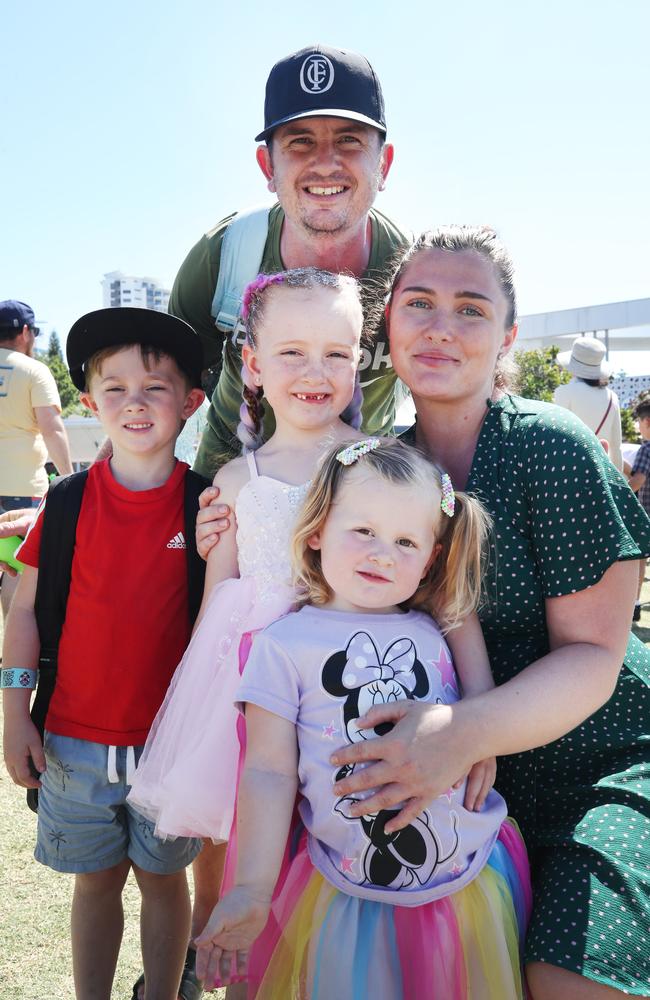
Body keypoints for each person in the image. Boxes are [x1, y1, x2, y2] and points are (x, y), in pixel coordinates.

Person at [316, 227, 649, 999]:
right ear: (386, 324)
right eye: (419, 304)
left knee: (567, 977)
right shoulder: (377, 467)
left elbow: (595, 655)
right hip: (461, 793)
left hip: (600, 767)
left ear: (508, 336)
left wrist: (458, 735)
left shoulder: (548, 446)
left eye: (471, 309)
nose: (440, 325)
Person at [194, 437, 532, 999]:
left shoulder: (435, 632)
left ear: (431, 559)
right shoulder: (282, 645)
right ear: (318, 529)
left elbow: (477, 712)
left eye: (406, 541)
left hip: (469, 881)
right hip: (346, 894)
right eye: (364, 531)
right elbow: (268, 772)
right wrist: (252, 888)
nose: (383, 554)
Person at [2, 307, 208, 1000]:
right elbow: (24, 613)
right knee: (96, 884)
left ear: (191, 402)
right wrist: (14, 714)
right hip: (72, 744)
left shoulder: (207, 509)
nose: (135, 402)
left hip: (170, 748)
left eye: (155, 386)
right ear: (89, 403)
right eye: (114, 387)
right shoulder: (63, 505)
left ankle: (161, 993)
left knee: (163, 881)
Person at [128, 267, 369, 846]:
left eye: (336, 353)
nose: (316, 373)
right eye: (292, 352)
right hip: (258, 690)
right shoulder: (238, 480)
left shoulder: (381, 464)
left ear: (358, 360)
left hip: (355, 675)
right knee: (261, 842)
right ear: (254, 365)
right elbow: (217, 604)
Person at [169, 44, 407, 480]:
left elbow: (450, 400)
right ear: (268, 166)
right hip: (226, 504)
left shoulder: (411, 275)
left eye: (349, 140)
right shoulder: (224, 254)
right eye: (300, 142)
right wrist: (88, 499)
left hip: (355, 512)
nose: (325, 163)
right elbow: (163, 388)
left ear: (384, 165)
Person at [0, 299, 73, 621]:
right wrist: (70, 479)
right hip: (22, 490)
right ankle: (13, 660)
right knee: (17, 570)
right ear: (26, 332)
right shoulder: (33, 371)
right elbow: (52, 429)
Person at [553, 335, 624, 471]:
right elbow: (616, 447)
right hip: (601, 473)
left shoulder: (563, 392)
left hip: (570, 471)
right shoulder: (612, 397)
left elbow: (556, 441)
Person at [628, 392, 650, 621]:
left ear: (647, 422)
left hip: (647, 514)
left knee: (640, 561)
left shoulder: (646, 449)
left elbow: (638, 481)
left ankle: (634, 604)